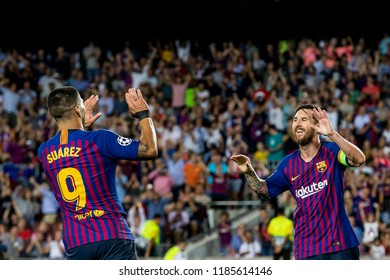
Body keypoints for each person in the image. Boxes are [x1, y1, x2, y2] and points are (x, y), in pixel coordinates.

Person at [230, 103, 366, 260]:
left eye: (304, 119)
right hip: (308, 247)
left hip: (341, 242)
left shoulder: (332, 151)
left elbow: (359, 159)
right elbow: (264, 190)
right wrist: (248, 171)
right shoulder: (288, 165)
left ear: (316, 125)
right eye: (295, 120)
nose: (297, 124)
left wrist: (333, 134)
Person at [37, 86, 158, 260]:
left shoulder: (44, 151)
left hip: (76, 241)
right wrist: (143, 114)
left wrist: (80, 126)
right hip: (112, 234)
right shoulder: (101, 139)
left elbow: (72, 149)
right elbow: (150, 150)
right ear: (78, 109)